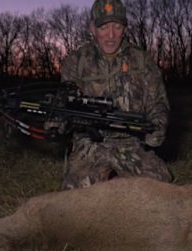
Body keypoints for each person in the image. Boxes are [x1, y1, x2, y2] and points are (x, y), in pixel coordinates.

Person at [59, 0, 172, 189]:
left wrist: (157, 125)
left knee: (160, 190)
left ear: (124, 28)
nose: (111, 35)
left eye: (117, 27)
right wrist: (59, 122)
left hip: (130, 143)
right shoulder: (76, 61)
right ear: (92, 28)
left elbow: (158, 102)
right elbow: (64, 102)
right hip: (90, 145)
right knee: (74, 200)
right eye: (104, 27)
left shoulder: (142, 60)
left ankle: (117, 185)